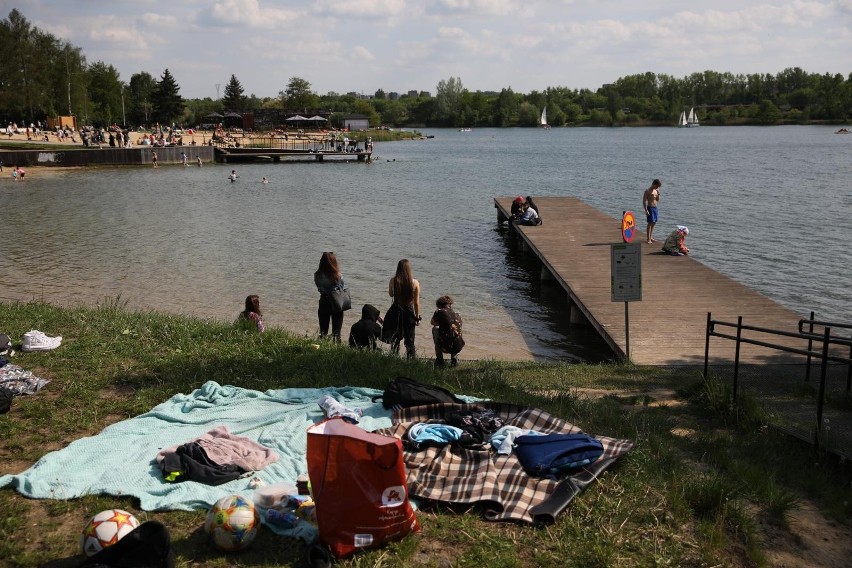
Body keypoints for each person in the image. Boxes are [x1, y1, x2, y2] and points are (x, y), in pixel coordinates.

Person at [388, 259, 421, 358]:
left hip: (396, 310)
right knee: (410, 340)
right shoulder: (415, 283)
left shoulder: (393, 280)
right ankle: (411, 361)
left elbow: (390, 294)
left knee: (395, 338)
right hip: (409, 312)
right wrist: (417, 317)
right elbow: (416, 303)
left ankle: (393, 359)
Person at [314, 252, 345, 341]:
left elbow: (319, 288)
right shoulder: (338, 276)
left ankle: (321, 346)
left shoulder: (317, 275)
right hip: (336, 303)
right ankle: (337, 349)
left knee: (323, 331)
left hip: (323, 302)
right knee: (337, 332)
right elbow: (341, 288)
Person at [430, 295, 465, 368]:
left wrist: (443, 324)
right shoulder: (458, 314)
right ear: (450, 305)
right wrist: (447, 325)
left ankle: (439, 361)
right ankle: (454, 359)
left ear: (439, 305)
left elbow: (432, 322)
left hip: (445, 346)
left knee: (435, 328)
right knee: (456, 331)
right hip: (459, 346)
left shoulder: (439, 311)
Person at [643, 179, 662, 244]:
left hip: (655, 208)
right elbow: (644, 201)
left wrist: (658, 194)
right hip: (650, 208)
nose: (657, 188)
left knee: (654, 223)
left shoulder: (656, 191)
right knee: (650, 223)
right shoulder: (647, 191)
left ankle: (651, 237)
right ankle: (648, 239)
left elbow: (657, 200)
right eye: (657, 186)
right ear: (654, 184)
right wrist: (646, 210)